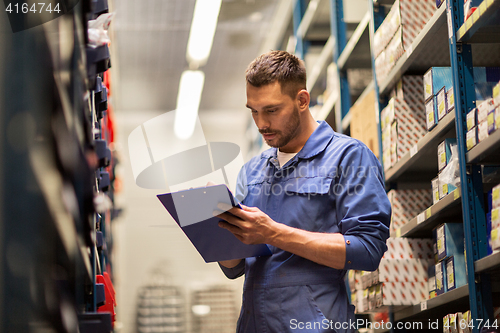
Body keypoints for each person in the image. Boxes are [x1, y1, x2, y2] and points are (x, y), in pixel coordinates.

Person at [215, 50, 391, 333]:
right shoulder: (252, 171)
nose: (261, 124)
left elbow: (368, 250)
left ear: (302, 100)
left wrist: (272, 233)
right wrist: (217, 232)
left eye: (271, 110)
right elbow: (235, 267)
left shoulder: (348, 157)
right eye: (254, 111)